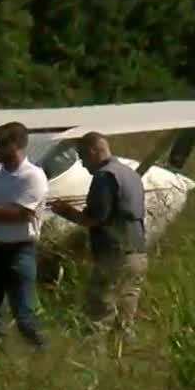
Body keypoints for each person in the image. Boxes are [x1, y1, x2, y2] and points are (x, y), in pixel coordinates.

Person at [50, 131, 148, 336]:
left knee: (99, 313)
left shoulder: (104, 176)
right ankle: (124, 358)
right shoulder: (130, 174)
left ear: (94, 151)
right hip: (137, 253)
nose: (84, 165)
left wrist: (65, 211)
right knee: (125, 316)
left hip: (114, 254)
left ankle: (95, 361)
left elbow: (94, 219)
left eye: (83, 157)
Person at [0, 121, 48, 348]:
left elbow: (20, 213)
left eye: (2, 144)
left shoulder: (33, 176)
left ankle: (41, 353)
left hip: (19, 249)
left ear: (18, 145)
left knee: (24, 314)